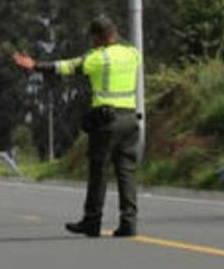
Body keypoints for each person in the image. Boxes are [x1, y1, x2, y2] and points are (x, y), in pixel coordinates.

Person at [13, 15, 142, 238]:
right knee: (126, 173)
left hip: (107, 121)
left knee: (99, 173)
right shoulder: (132, 53)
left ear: (99, 37)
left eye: (93, 38)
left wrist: (35, 66)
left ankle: (92, 221)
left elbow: (66, 67)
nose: (91, 43)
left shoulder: (98, 58)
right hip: (130, 119)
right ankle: (128, 222)